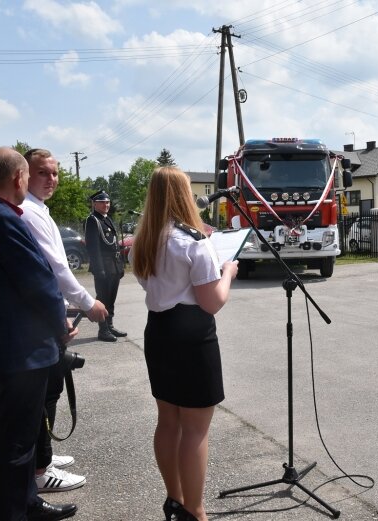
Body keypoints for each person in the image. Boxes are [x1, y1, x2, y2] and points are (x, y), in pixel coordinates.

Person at [0, 147, 78, 520]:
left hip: (5, 344)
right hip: (21, 349)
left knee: (19, 436)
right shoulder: (0, 218)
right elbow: (38, 281)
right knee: (16, 443)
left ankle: (28, 502)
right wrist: (61, 324)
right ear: (18, 178)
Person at [131, 166, 238, 521]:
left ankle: (175, 500)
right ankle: (196, 510)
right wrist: (228, 273)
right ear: (183, 193)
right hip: (192, 333)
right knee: (195, 429)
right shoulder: (193, 242)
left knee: (168, 421)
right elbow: (213, 302)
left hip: (158, 330)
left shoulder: (146, 238)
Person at [21, 148, 110, 493]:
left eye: (54, 173)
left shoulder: (39, 209)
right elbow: (56, 268)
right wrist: (87, 303)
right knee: (42, 393)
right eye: (42, 173)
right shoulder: (27, 211)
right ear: (25, 174)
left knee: (51, 389)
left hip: (49, 316)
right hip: (37, 322)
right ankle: (39, 470)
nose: (51, 179)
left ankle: (42, 456)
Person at [85, 190, 126, 342]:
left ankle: (110, 325)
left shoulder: (107, 219)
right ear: (94, 204)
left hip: (113, 265)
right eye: (102, 202)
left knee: (111, 298)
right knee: (103, 298)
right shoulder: (92, 220)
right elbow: (93, 248)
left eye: (108, 202)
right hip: (103, 266)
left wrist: (120, 266)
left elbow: (114, 244)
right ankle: (103, 330)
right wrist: (99, 268)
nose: (106, 205)